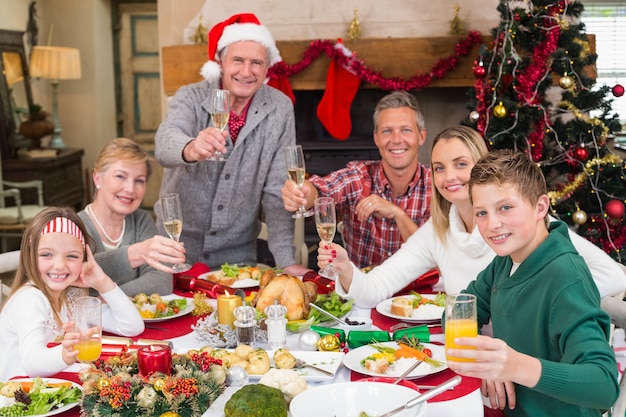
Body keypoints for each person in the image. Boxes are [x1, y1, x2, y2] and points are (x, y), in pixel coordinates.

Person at [320, 126, 626, 308]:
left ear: (482, 165)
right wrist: (345, 268)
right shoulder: (437, 231)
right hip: (468, 355)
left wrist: (536, 302)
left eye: (460, 164)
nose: (449, 176)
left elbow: (614, 276)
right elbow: (375, 289)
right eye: (439, 167)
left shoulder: (525, 224)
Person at [445, 149, 618, 416]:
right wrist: (488, 363)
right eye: (481, 213)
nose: (492, 224)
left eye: (505, 207)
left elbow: (604, 385)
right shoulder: (507, 259)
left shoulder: (566, 278)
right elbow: (457, 313)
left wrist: (513, 366)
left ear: (540, 207)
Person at [154, 13, 306, 275]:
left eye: (256, 62)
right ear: (221, 62)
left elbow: (276, 189)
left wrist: (285, 261)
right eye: (238, 60)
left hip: (236, 259)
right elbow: (164, 143)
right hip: (175, 252)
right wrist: (191, 148)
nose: (247, 72)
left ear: (267, 67)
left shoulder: (279, 108)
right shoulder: (191, 96)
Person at [282, 90, 432, 268]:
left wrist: (397, 214)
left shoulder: (437, 185)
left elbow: (435, 260)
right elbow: (323, 189)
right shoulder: (359, 177)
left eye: (406, 130)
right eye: (387, 131)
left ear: (421, 136)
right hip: (362, 292)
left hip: (420, 293)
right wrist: (305, 193)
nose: (396, 139)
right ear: (376, 138)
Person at [0, 207, 144, 380]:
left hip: (52, 390)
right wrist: (68, 351)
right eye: (46, 254)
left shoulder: (71, 296)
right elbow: (32, 363)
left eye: (72, 256)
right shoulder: (30, 299)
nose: (60, 265)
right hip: (15, 398)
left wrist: (102, 281)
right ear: (30, 256)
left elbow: (132, 326)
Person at [79, 138, 185, 296]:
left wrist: (108, 298)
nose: (130, 189)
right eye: (120, 176)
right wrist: (134, 254)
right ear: (97, 178)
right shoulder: (74, 227)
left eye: (139, 180)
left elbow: (161, 282)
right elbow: (77, 280)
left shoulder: (141, 220)